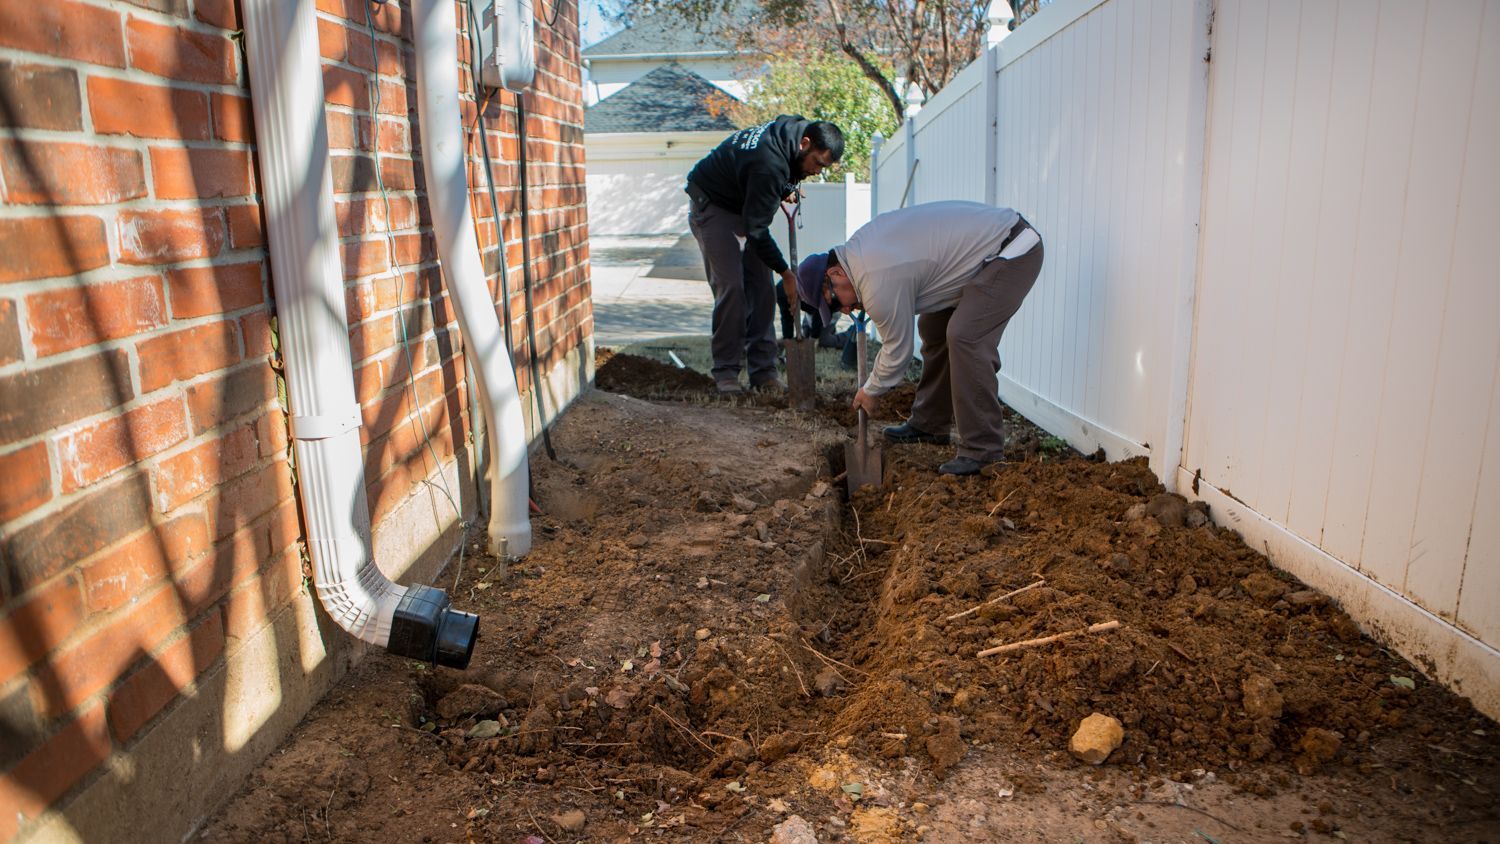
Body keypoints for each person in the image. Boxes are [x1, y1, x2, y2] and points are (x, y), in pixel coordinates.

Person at [795, 201, 1044, 475]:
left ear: (835, 273)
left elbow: (897, 351)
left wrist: (871, 390)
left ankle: (983, 449)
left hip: (1012, 250)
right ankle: (930, 424)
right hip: (978, 260)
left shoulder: (874, 278)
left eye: (834, 303)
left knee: (965, 337)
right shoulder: (858, 251)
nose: (844, 310)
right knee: (934, 327)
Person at [686, 116, 844, 394]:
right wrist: (786, 273)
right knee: (732, 288)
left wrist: (784, 188)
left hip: (743, 203)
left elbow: (772, 179)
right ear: (805, 144)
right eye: (817, 164)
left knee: (762, 289)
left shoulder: (794, 131)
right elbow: (756, 230)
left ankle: (764, 372)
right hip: (714, 205)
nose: (818, 172)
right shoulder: (768, 164)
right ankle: (726, 371)